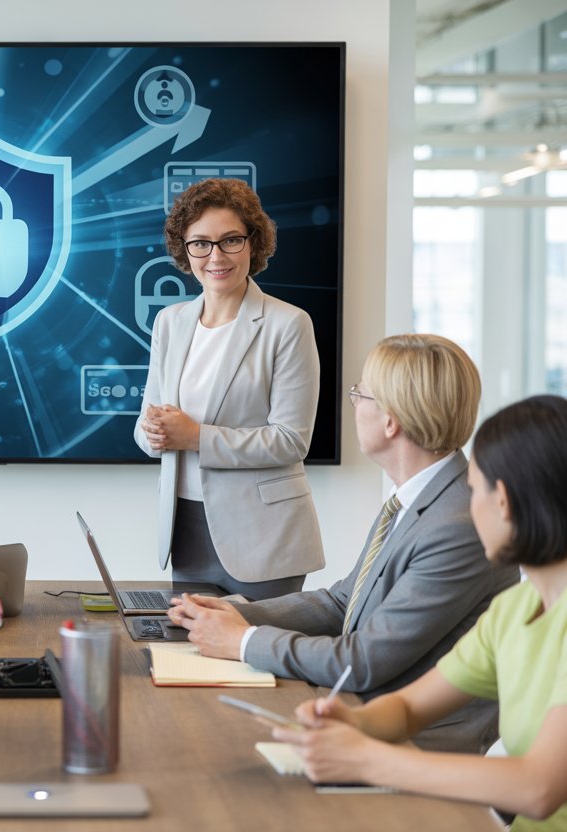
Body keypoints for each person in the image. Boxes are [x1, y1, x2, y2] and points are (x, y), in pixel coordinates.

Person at [169, 334, 519, 752]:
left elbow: (365, 661)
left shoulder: (458, 525)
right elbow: (342, 603)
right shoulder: (420, 497)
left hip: (416, 748)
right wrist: (238, 614)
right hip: (361, 720)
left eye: (360, 394)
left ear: (391, 422)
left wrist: (242, 641)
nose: (353, 404)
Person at [274, 395, 567, 829]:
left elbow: (538, 788)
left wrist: (368, 760)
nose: (468, 508)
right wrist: (353, 721)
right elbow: (410, 709)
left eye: (473, 489)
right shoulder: (516, 609)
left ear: (501, 500)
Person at [134, 178, 323, 600]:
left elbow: (291, 441)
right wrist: (155, 433)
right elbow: (145, 429)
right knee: (193, 662)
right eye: (200, 243)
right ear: (185, 250)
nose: (215, 256)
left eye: (230, 240)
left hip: (264, 536)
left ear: (253, 243)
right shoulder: (171, 321)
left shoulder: (288, 324)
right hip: (185, 531)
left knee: (257, 663)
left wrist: (195, 437)